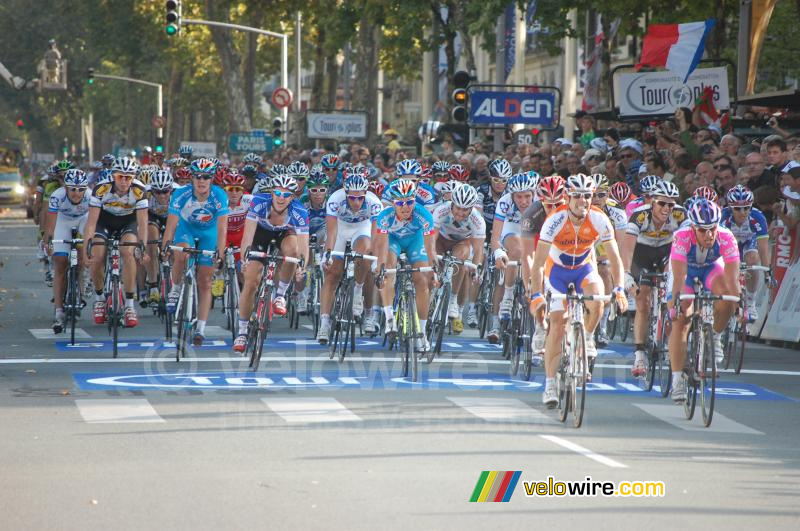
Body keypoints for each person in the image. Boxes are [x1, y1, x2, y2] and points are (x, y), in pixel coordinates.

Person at [530, 173, 627, 407]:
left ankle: (588, 338)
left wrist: (620, 289)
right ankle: (551, 383)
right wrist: (536, 295)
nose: (583, 201)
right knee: (558, 324)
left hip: (583, 269)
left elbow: (615, 259)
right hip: (557, 272)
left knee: (598, 302)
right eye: (577, 196)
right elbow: (539, 264)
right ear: (567, 197)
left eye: (588, 196)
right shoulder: (555, 219)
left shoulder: (599, 218)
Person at [667, 199, 740, 403]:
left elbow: (733, 277)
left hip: (711, 268)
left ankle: (715, 337)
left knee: (728, 299)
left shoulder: (726, 237)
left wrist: (739, 303)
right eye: (702, 230)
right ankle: (677, 380)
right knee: (681, 319)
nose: (708, 235)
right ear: (692, 227)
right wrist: (676, 301)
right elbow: (679, 276)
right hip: (686, 272)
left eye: (712, 229)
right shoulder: (681, 236)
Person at [232, 175, 309, 353]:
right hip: (261, 233)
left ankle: (280, 294)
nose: (281, 198)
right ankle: (242, 332)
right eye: (277, 193)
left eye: (286, 195)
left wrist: (301, 268)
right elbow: (248, 236)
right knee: (251, 282)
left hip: (284, 234)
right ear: (271, 193)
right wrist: (244, 260)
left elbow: (304, 246)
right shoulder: (259, 202)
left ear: (292, 198)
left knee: (293, 251)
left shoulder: (299, 211)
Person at [620, 180, 685, 377]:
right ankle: (640, 353)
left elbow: (683, 245)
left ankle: (668, 336)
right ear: (652, 202)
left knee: (672, 294)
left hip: (666, 251)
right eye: (662, 203)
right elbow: (628, 249)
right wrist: (626, 273)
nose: (666, 208)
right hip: (642, 254)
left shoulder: (681, 215)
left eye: (671, 204)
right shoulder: (640, 216)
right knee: (643, 301)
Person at [162, 158, 229, 345]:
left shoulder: (220, 196)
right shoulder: (180, 194)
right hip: (187, 230)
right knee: (181, 254)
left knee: (205, 281)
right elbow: (172, 224)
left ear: (212, 179)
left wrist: (220, 255)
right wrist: (165, 246)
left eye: (206, 177)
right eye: (197, 176)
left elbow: (223, 229)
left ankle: (200, 328)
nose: (201, 181)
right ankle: (175, 288)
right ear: (192, 178)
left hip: (209, 233)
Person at [83, 157, 149, 328]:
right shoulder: (101, 189)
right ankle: (99, 299)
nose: (125, 181)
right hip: (104, 221)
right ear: (113, 176)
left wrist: (143, 248)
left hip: (128, 222)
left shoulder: (139, 190)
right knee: (96, 256)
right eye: (121, 177)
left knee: (128, 252)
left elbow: (142, 223)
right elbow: (91, 223)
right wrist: (86, 248)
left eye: (129, 177)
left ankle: (129, 305)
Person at [317, 173, 382, 343]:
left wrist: (375, 259)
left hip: (362, 228)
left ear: (365, 194)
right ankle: (324, 323)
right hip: (340, 228)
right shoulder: (335, 199)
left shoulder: (374, 202)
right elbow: (331, 232)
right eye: (352, 197)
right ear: (345, 193)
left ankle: (360, 297)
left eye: (360, 198)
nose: (356, 202)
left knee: (366, 254)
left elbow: (376, 237)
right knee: (332, 274)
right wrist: (328, 254)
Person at [373, 179, 436, 351]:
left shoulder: (424, 216)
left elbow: (430, 248)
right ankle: (390, 320)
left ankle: (422, 334)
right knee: (389, 269)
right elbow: (382, 246)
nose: (405, 207)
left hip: (415, 241)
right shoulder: (384, 217)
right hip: (393, 241)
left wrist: (434, 271)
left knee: (422, 280)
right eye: (400, 202)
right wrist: (381, 266)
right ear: (393, 202)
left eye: (410, 202)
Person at [487, 172, 536, 343]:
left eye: (527, 196)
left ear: (534, 193)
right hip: (511, 228)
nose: (523, 201)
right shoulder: (505, 202)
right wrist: (499, 253)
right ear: (512, 195)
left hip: (532, 229)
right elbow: (495, 237)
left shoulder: (541, 202)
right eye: (519, 197)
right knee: (516, 252)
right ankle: (506, 299)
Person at [431, 182, 486, 333]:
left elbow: (479, 248)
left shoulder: (477, 220)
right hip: (441, 240)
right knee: (433, 258)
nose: (461, 213)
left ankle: (453, 300)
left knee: (460, 260)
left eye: (465, 209)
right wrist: (431, 258)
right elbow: (431, 237)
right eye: (458, 208)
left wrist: (475, 269)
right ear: (452, 204)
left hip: (462, 241)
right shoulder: (441, 210)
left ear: (472, 208)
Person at [44, 169, 91, 333]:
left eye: (80, 189)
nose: (77, 193)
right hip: (62, 222)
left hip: (83, 220)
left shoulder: (91, 197)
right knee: (60, 263)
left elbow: (93, 224)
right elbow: (50, 225)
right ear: (66, 188)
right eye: (73, 189)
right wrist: (48, 241)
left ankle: (80, 287)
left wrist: (87, 248)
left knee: (81, 257)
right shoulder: (57, 196)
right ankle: (58, 310)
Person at [721, 185, 770, 321]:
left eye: (746, 208)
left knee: (753, 259)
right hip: (731, 243)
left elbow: (763, 249)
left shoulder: (758, 217)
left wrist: (767, 272)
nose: (742, 212)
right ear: (730, 208)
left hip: (749, 242)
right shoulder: (723, 217)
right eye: (737, 209)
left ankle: (751, 302)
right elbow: (717, 245)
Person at [144, 169, 176, 304]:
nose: (162, 196)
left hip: (171, 216)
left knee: (174, 246)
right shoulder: (145, 194)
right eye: (157, 192)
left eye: (165, 192)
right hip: (153, 216)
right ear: (152, 191)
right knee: (151, 245)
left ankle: (175, 282)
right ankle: (153, 287)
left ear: (171, 189)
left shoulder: (178, 193)